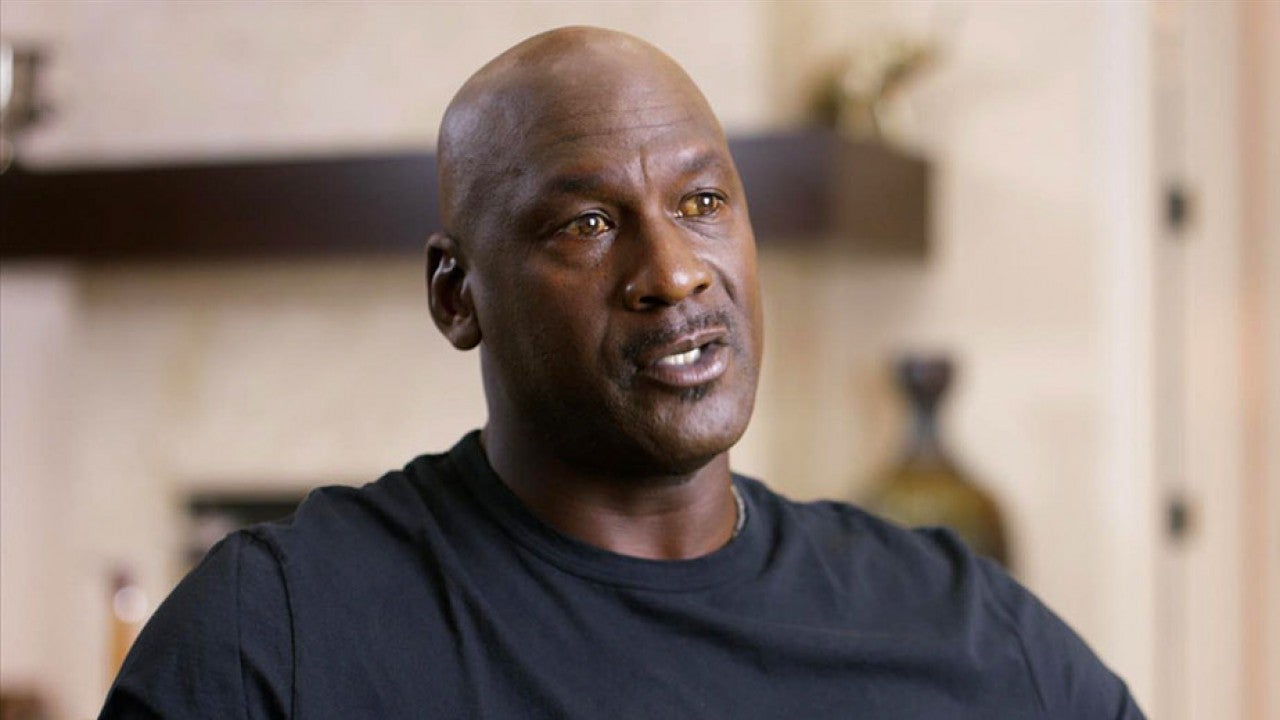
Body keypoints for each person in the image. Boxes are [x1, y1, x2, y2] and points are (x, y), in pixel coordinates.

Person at [101, 27, 1145, 719]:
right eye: (588, 223)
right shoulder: (271, 639)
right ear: (456, 295)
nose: (676, 271)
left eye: (703, 203)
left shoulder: (962, 628)